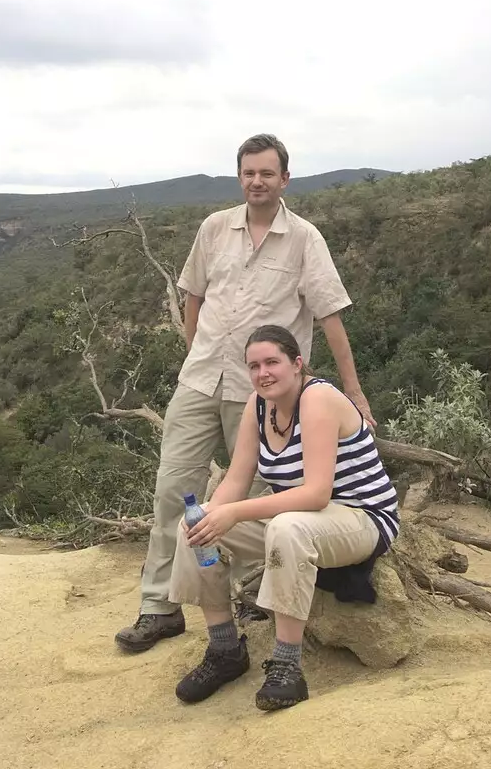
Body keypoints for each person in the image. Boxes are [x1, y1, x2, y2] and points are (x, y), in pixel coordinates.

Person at [115, 134, 374, 654]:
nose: (257, 181)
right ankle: (159, 607)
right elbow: (194, 294)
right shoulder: (214, 228)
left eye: (267, 173)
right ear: (240, 177)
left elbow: (329, 315)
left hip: (259, 391)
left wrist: (354, 389)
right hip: (201, 378)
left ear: (284, 179)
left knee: (264, 494)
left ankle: (257, 593)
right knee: (174, 491)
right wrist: (194, 352)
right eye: (248, 173)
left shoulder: (305, 239)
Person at [166, 324, 400, 711]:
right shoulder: (258, 407)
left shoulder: (318, 398)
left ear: (297, 363)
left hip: (363, 517)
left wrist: (235, 513)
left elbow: (316, 492)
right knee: (195, 524)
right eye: (254, 366)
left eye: (272, 362)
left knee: (287, 527)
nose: (263, 373)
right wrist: (211, 516)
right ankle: (224, 649)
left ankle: (287, 667)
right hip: (311, 519)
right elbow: (237, 479)